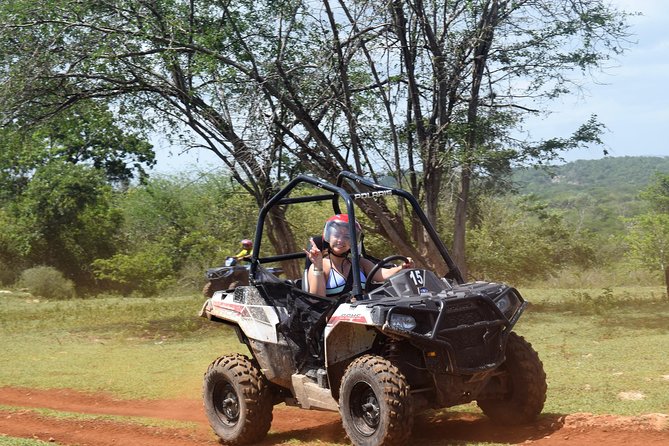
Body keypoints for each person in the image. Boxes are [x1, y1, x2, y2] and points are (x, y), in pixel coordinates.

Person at [305, 214, 414, 297]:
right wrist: (317, 266)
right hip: (335, 322)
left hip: (364, 316)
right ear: (328, 236)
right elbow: (317, 300)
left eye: (347, 236)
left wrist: (401, 268)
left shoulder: (360, 263)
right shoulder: (320, 266)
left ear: (353, 241)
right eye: (337, 235)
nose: (340, 240)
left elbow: (382, 274)